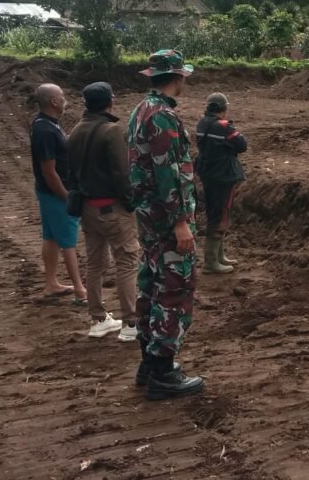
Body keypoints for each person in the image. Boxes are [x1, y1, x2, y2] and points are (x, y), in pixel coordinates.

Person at [127, 50, 205, 400]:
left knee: (151, 286)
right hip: (165, 220)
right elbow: (167, 173)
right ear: (178, 77)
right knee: (175, 290)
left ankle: (149, 362)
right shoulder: (162, 116)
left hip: (148, 218)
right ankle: (162, 371)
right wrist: (180, 223)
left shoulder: (141, 110)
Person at [68, 82, 139, 341]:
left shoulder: (75, 130)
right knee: (127, 261)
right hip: (111, 208)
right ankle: (131, 322)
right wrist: (131, 203)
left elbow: (70, 172)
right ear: (111, 101)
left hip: (87, 208)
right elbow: (123, 174)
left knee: (95, 263)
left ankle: (98, 318)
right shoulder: (112, 131)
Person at [30, 83, 87, 302]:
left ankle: (52, 284)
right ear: (54, 101)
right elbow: (49, 171)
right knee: (68, 241)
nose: (65, 99)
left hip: (48, 192)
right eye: (62, 96)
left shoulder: (47, 124)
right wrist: (66, 197)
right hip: (55, 193)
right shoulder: (45, 130)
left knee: (51, 237)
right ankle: (80, 290)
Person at [195, 92, 248, 274]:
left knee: (214, 213)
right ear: (223, 108)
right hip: (223, 175)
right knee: (221, 215)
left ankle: (218, 256)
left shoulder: (202, 123)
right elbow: (242, 145)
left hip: (208, 173)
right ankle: (211, 262)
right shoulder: (223, 127)